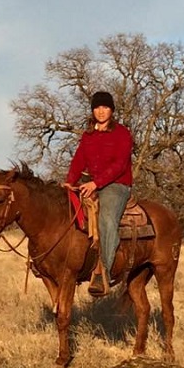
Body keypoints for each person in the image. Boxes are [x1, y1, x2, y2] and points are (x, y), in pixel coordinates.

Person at [65, 91, 133, 295]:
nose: (101, 111)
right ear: (93, 111)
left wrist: (96, 183)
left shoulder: (122, 133)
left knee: (107, 219)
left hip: (116, 185)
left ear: (111, 110)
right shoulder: (88, 136)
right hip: (93, 183)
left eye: (105, 107)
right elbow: (79, 160)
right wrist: (70, 182)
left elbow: (120, 165)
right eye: (97, 108)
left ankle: (104, 269)